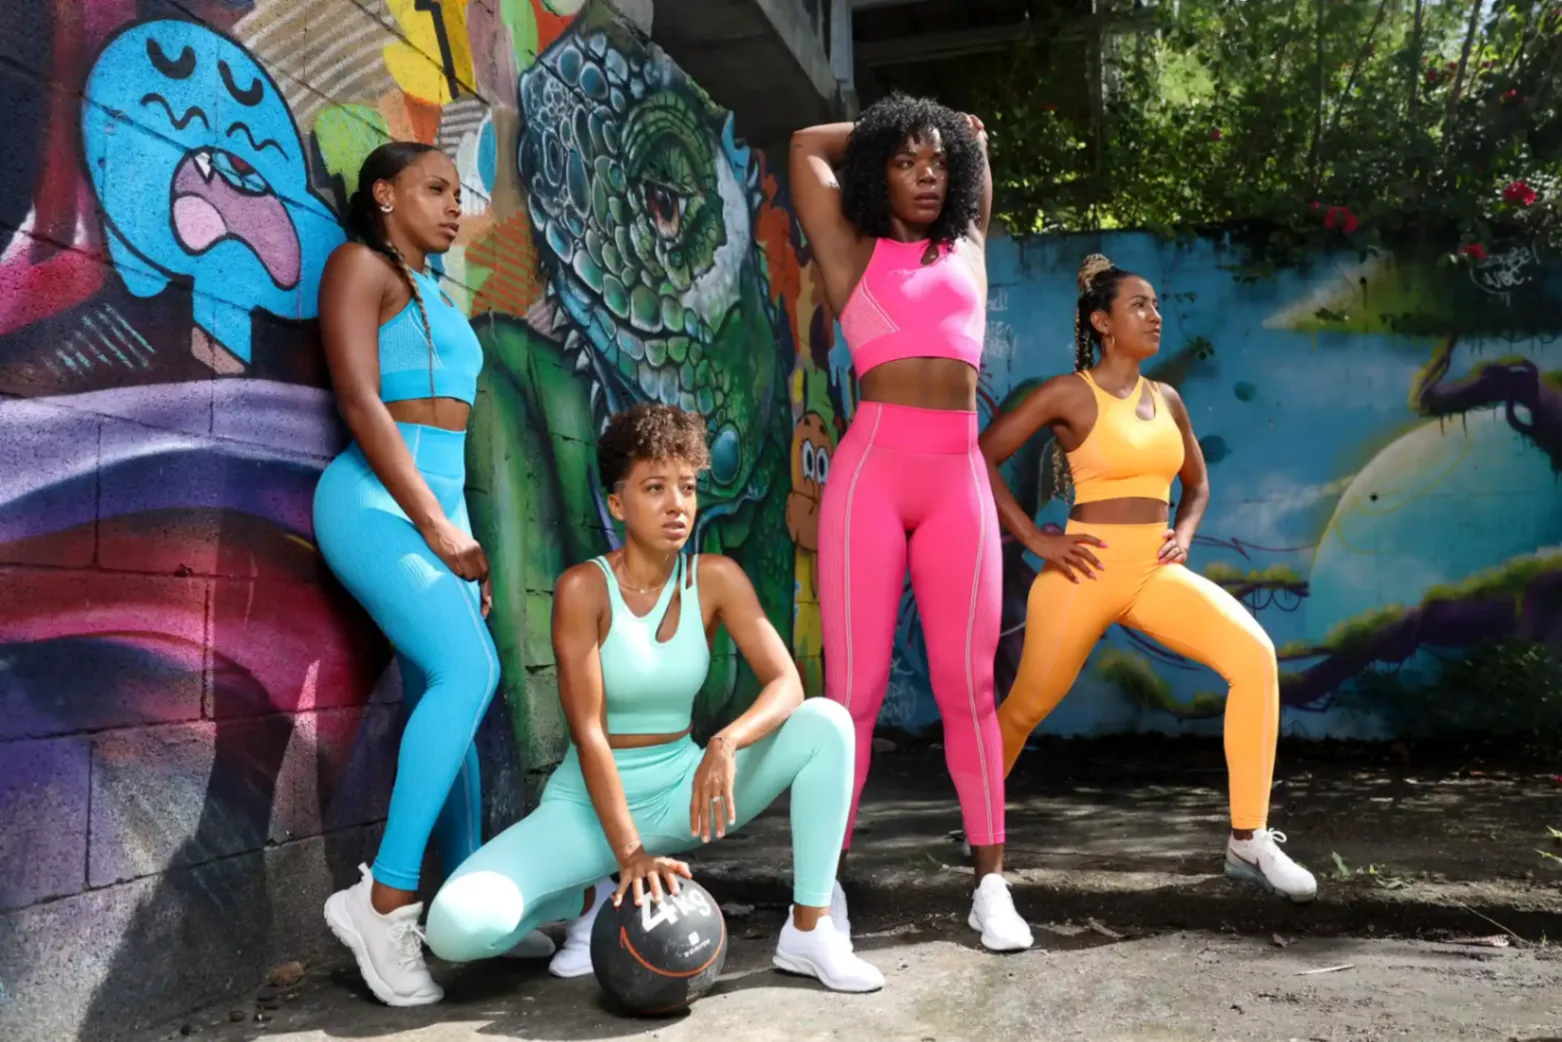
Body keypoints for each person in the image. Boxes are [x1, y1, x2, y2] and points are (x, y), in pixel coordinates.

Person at [423, 403, 885, 993]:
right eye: (655, 488)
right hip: (588, 808)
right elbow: (588, 731)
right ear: (617, 503)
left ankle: (811, 929)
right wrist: (630, 852)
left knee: (828, 723)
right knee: (455, 927)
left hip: (686, 793)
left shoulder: (715, 578)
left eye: (688, 488)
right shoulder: (582, 588)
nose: (677, 505)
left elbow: (787, 683)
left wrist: (726, 740)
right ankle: (580, 893)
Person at [978, 253, 1317, 903]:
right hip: (1084, 570)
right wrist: (1033, 537)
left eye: (1157, 305)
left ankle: (1249, 841)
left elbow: (1197, 483)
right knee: (1023, 708)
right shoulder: (1067, 394)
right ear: (1103, 322)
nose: (1155, 315)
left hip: (1152, 574)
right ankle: (975, 821)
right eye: (1139, 305)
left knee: (1255, 658)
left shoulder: (1167, 399)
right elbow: (982, 454)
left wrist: (1183, 536)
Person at [313, 141, 554, 1007]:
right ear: (384, 194)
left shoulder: (439, 294)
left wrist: (467, 546)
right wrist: (437, 528)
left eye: (461, 191)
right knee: (471, 672)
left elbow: (451, 450)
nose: (457, 205)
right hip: (373, 508)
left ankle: (460, 907)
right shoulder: (357, 266)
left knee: (443, 700)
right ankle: (383, 903)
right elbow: (360, 402)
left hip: (436, 519)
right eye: (435, 188)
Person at [789, 95, 1032, 951]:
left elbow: (980, 136)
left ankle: (992, 885)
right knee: (850, 697)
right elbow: (801, 146)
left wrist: (947, 132)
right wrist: (894, 125)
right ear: (876, 172)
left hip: (957, 475)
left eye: (937, 162)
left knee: (971, 687)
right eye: (905, 160)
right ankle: (820, 895)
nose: (927, 173)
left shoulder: (967, 244)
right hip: (871, 476)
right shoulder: (850, 251)